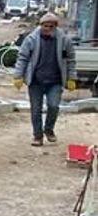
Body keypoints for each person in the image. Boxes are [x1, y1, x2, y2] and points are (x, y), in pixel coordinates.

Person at [13, 13, 77, 146]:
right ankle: (37, 135)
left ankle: (49, 130)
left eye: (51, 26)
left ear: (55, 27)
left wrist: (71, 78)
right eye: (45, 26)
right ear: (40, 25)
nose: (48, 28)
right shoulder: (31, 39)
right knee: (36, 110)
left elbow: (70, 60)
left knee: (53, 106)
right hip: (36, 81)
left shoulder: (64, 41)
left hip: (55, 81)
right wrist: (18, 76)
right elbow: (23, 58)